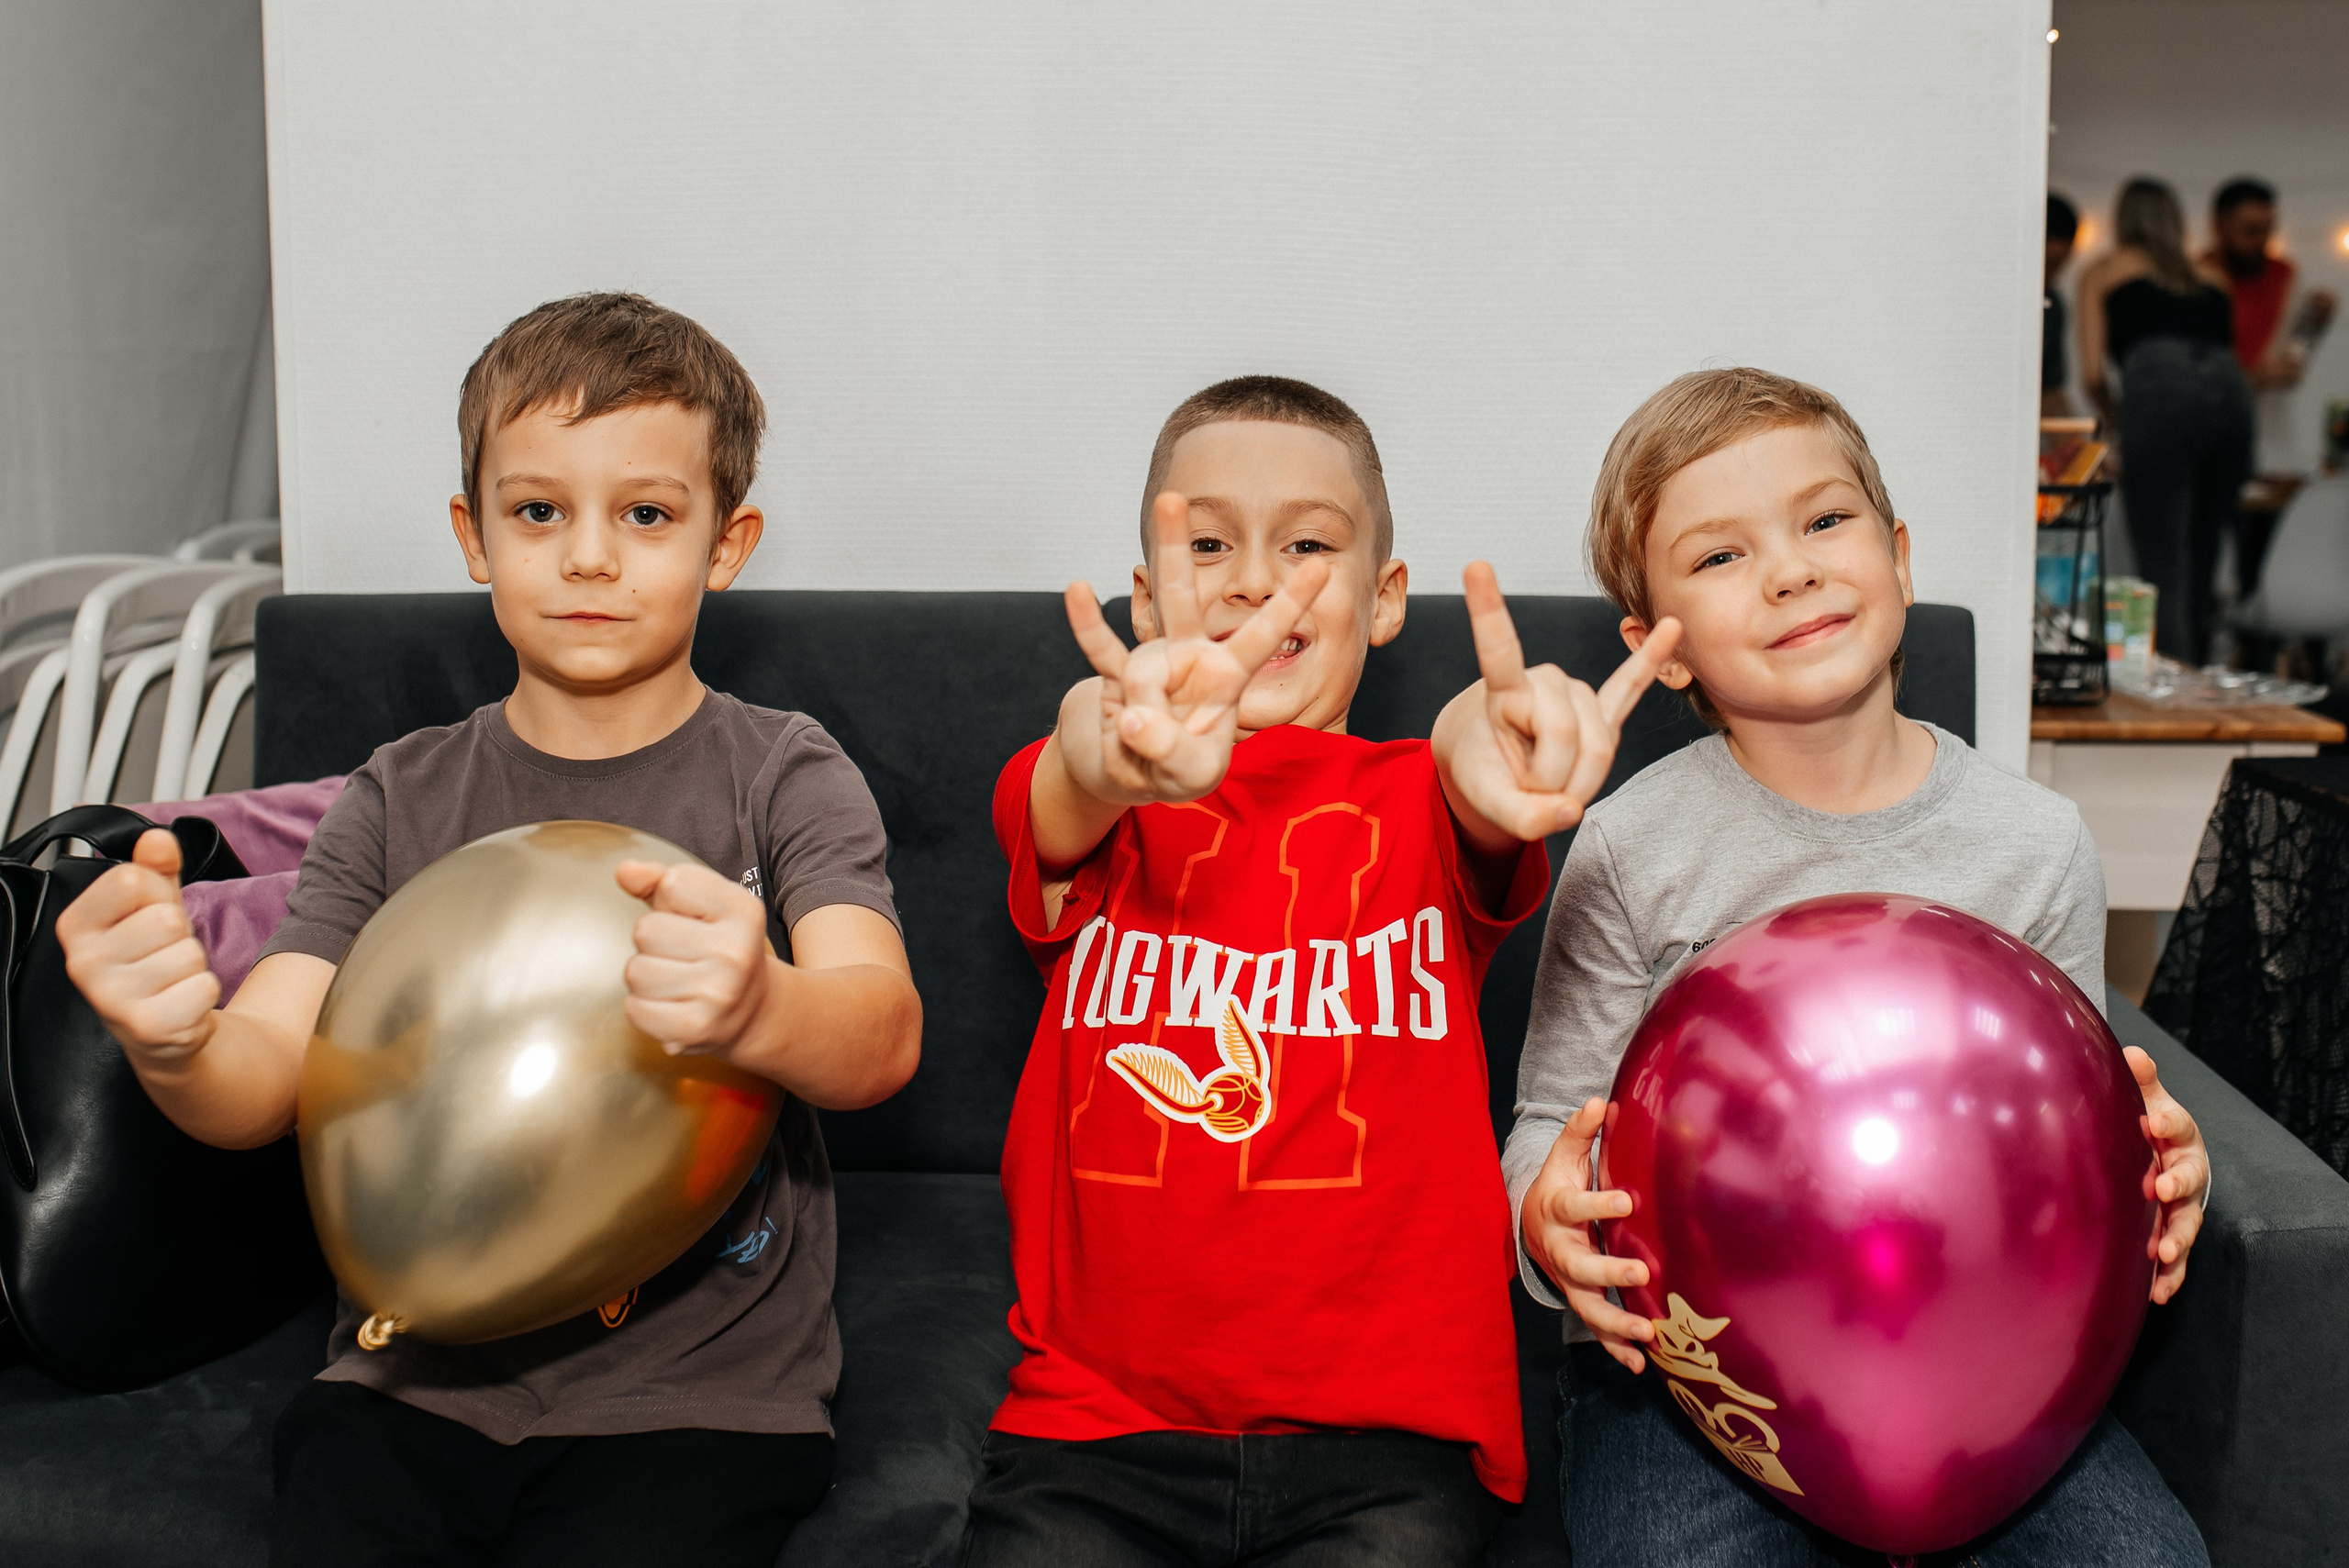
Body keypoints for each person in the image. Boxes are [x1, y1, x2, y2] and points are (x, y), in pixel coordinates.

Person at [56, 293, 923, 1567]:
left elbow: (881, 1032)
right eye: (538, 511)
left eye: (645, 514)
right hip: (408, 1383)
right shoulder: (400, 792)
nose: (587, 558)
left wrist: (764, 1007)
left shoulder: (783, 772)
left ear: (724, 543)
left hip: (701, 1400)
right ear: (473, 536)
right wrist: (176, 1041)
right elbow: (264, 1084)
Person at [964, 375, 1680, 1566]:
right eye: (1208, 546)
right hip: (1094, 1439)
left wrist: (1499, 753)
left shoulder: (1425, 800)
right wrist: (1115, 738)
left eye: (1307, 544)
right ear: (1147, 601)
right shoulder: (1097, 797)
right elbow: (1074, 766)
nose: (1257, 580)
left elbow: (1465, 755)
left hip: (1385, 1450)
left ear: (1385, 599)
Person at [1507, 367, 2216, 1567]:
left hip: (1992, 1363)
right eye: (1721, 556)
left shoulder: (2034, 843)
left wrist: (2159, 1172)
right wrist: (1545, 1220)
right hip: (1685, 1375)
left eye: (1825, 522)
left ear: (1897, 554)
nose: (1790, 570)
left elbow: (2077, 1129)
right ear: (1656, 648)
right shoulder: (1630, 844)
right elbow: (1543, 1116)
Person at [2077, 177, 2254, 665]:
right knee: (2204, 559)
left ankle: (2177, 695)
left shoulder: (2104, 271)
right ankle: (2200, 671)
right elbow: (2226, 360)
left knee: (2163, 563)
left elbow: (2093, 372)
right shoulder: (2211, 277)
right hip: (2232, 403)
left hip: (2160, 399)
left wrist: (2116, 425)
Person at [2205, 176, 2339, 595]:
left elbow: (2293, 360)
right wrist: (2257, 376)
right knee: (2212, 561)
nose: (2261, 240)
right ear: (2219, 227)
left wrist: (2315, 325)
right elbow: (2202, 372)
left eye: (2268, 229)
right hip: (2214, 437)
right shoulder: (2200, 279)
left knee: (2267, 563)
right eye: (2250, 231)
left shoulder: (2285, 274)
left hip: (2273, 440)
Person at [2043, 193, 2081, 417]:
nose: (2056, 273)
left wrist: (2076, 447)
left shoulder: (2054, 305)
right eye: (2051, 262)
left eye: (2063, 263)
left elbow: (2051, 390)